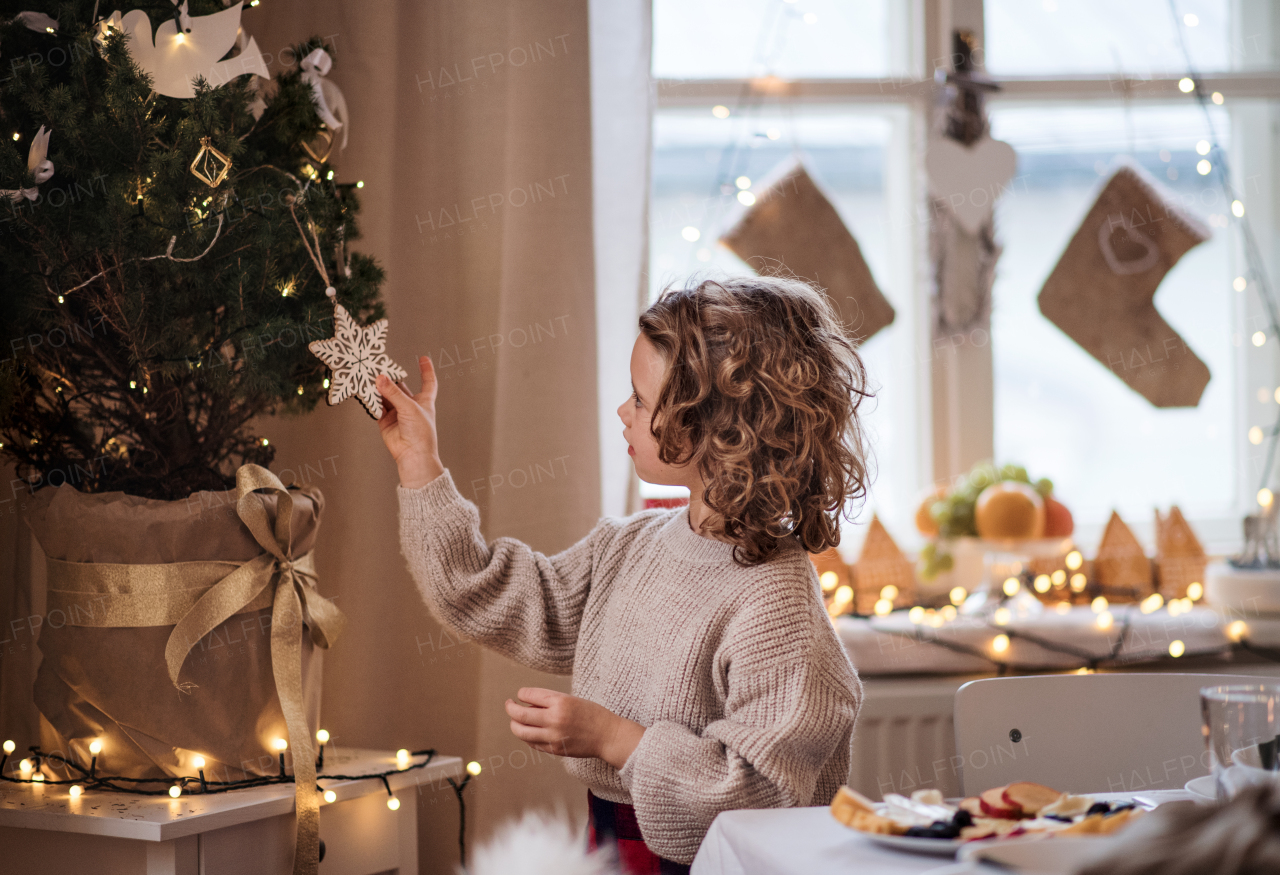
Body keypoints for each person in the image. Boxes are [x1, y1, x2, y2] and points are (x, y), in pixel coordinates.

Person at [375, 275, 868, 872]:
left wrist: (614, 738)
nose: (622, 411)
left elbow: (761, 792)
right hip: (615, 847)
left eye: (639, 398)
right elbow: (487, 593)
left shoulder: (775, 604)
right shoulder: (630, 545)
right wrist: (420, 463)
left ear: (717, 428)